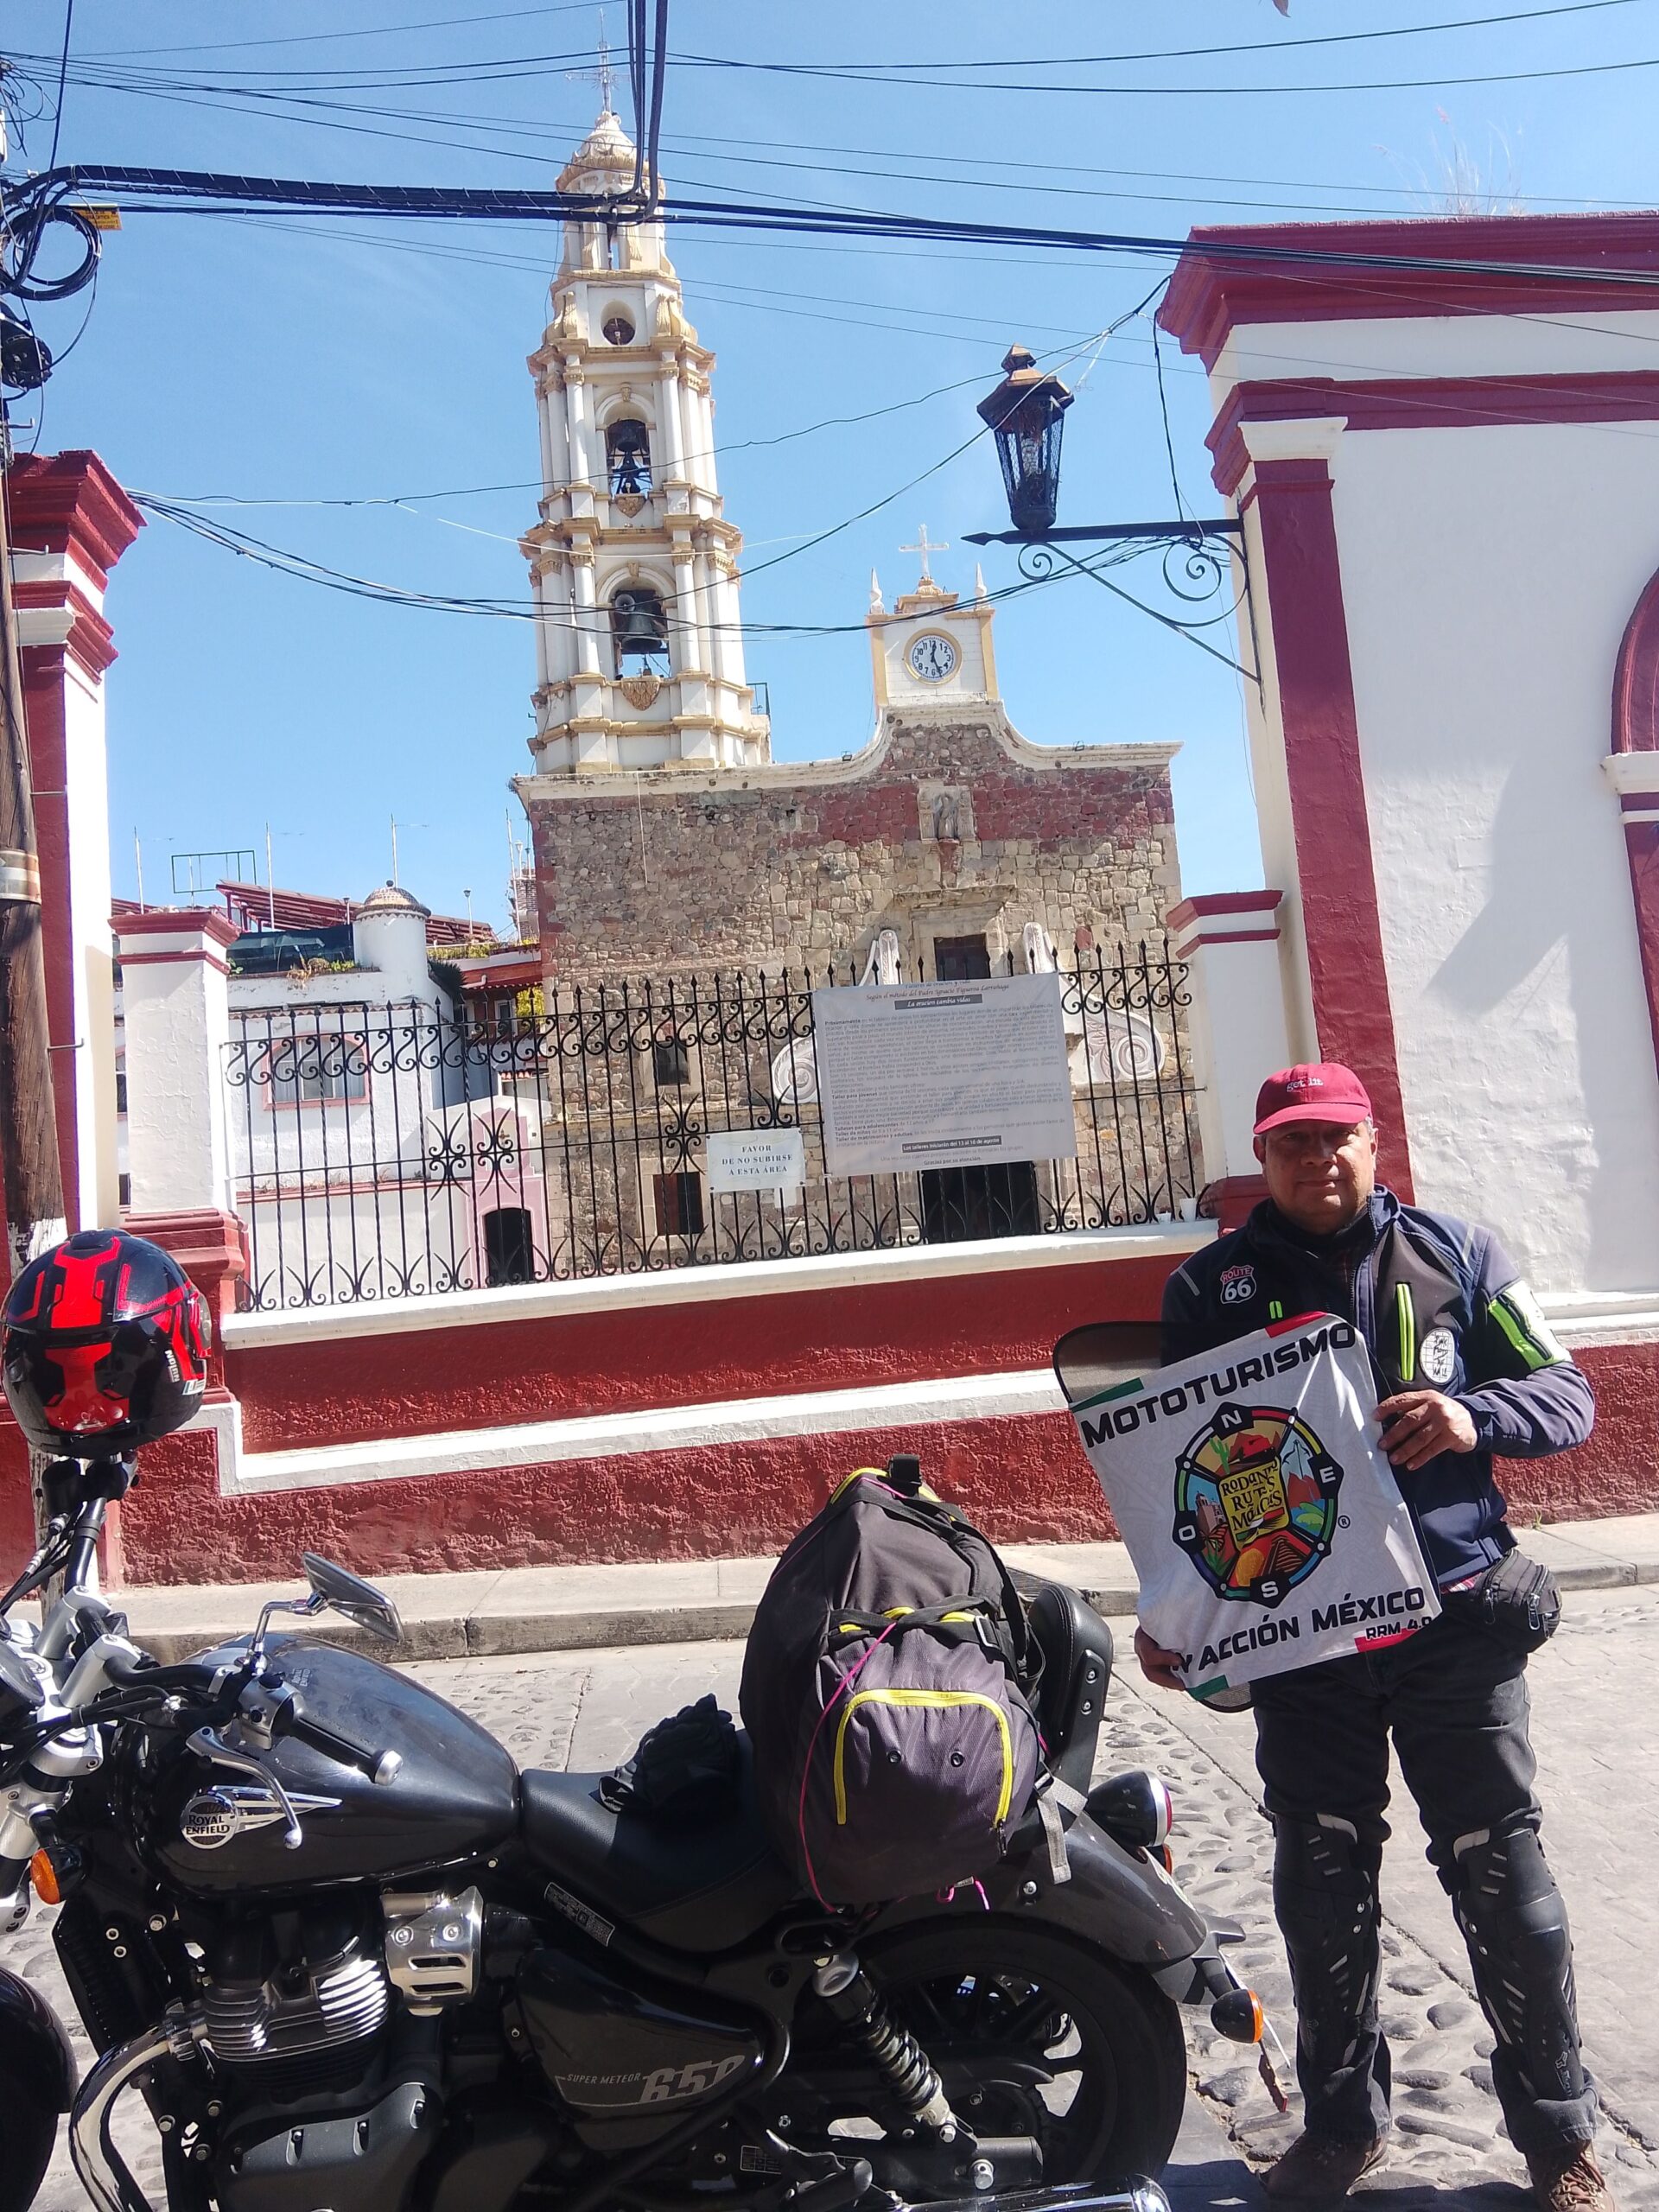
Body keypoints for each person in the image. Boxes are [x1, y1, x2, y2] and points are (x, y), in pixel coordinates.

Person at [1138, 1063, 1607, 2210]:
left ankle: (1561, 2142)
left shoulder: (1460, 1254)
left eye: (1336, 1137)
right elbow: (1173, 1474)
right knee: (1321, 1882)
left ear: (1372, 1142)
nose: (1319, 1159)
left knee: (1504, 1880)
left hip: (1458, 1623)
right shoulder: (1208, 1289)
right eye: (1293, 1142)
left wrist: (1472, 1414)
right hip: (1306, 1642)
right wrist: (1175, 1615)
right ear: (1264, 1156)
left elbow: (1569, 1394)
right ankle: (1344, 2127)